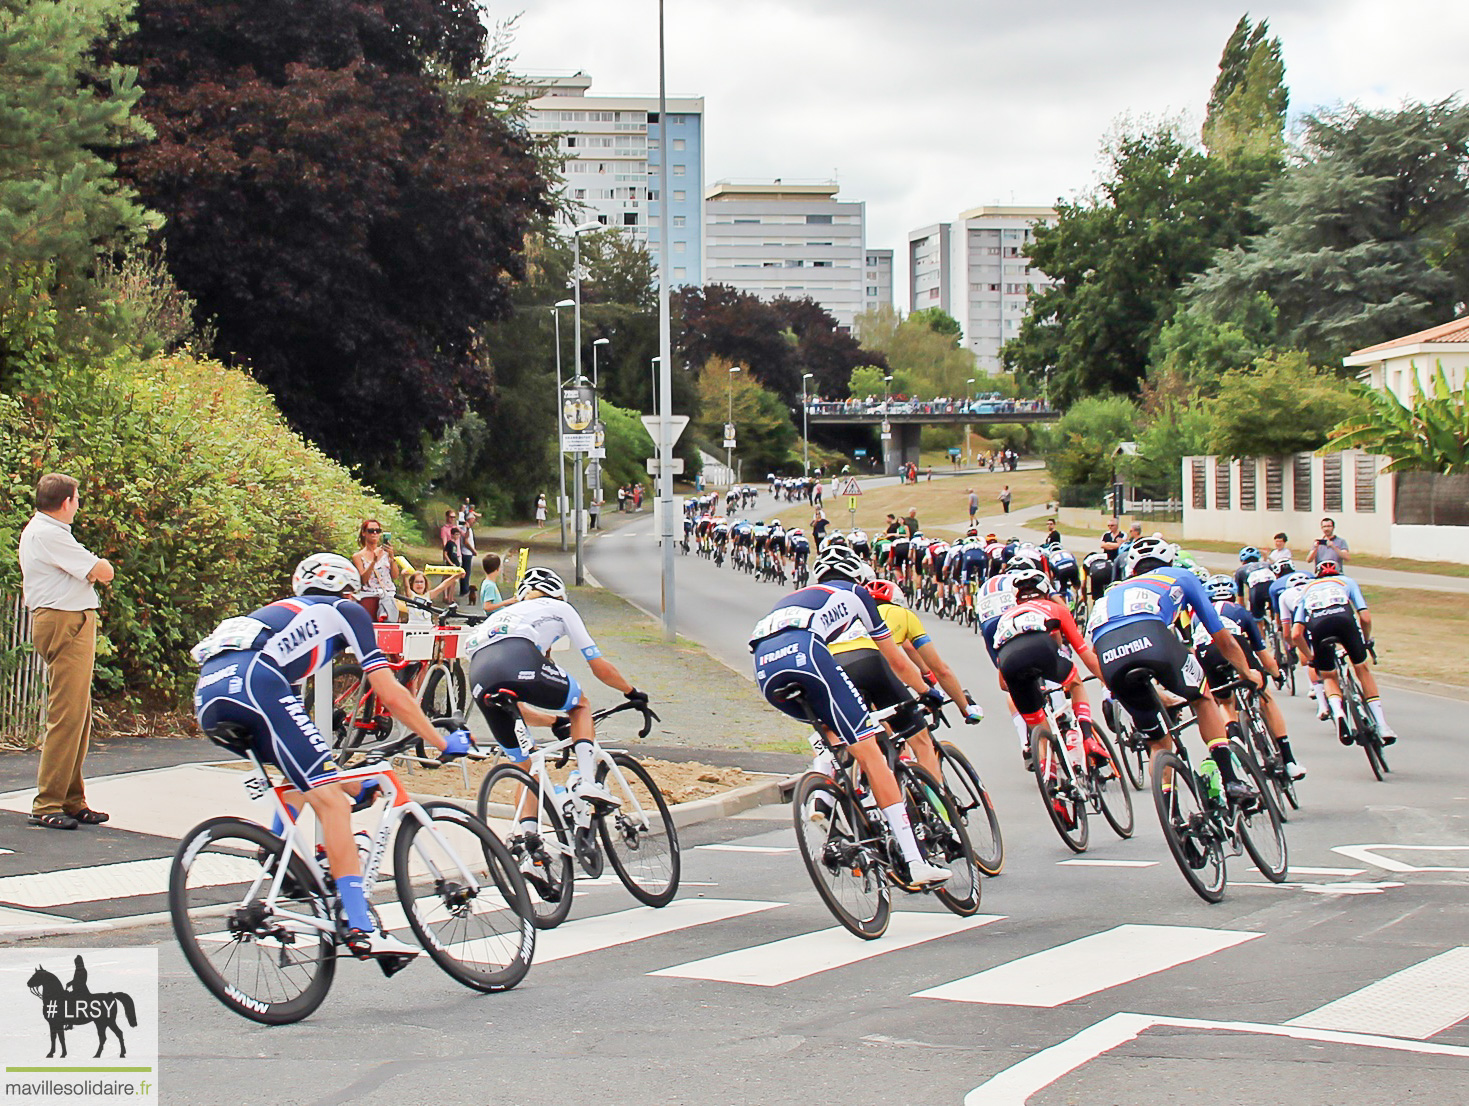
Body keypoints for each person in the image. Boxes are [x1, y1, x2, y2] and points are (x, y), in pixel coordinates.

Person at [192, 553, 474, 962]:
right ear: (348, 587)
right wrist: (440, 741)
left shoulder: (278, 614)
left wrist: (344, 778)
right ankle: (361, 927)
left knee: (305, 777)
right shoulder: (344, 608)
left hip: (209, 696)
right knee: (331, 802)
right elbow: (389, 692)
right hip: (257, 683)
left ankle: (280, 854)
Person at [749, 546, 950, 888]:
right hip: (805, 654)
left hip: (766, 669)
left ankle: (825, 801)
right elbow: (898, 662)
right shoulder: (856, 593)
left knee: (833, 734)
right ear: (859, 577)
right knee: (871, 753)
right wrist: (929, 691)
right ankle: (916, 864)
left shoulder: (793, 598)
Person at [1088, 537, 1264, 804]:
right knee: (1202, 696)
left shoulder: (1112, 592)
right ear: (1169, 562)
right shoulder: (1181, 575)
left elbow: (1097, 653)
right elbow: (1223, 639)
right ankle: (1232, 781)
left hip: (1109, 655)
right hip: (1150, 636)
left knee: (1158, 743)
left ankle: (1173, 817)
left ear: (1132, 571)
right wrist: (1247, 672)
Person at [464, 567, 646, 810]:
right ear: (558, 593)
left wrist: (553, 721)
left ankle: (526, 840)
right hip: (516, 657)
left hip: (479, 674)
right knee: (580, 704)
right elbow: (598, 666)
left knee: (526, 769)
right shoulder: (561, 608)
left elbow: (518, 708)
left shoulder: (502, 615)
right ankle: (587, 781)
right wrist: (631, 692)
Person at [18, 473, 115, 830]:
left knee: (78, 715)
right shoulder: (49, 534)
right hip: (66, 621)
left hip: (67, 618)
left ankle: (72, 799)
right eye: (76, 499)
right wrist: (94, 569)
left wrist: (88, 573)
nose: (78, 505)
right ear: (65, 502)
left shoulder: (47, 533)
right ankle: (48, 802)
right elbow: (102, 571)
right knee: (66, 714)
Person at [1197, 574, 1305, 780]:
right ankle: (1289, 760)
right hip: (1233, 642)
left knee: (1225, 702)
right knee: (1265, 697)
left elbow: (1194, 649)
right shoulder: (1240, 611)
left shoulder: (1197, 615)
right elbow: (1262, 652)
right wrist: (1276, 674)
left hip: (1206, 651)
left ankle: (1235, 734)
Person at [1290, 561, 1396, 744]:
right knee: (1362, 668)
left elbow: (1296, 634)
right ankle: (1382, 725)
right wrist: (1365, 640)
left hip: (1318, 627)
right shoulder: (1347, 582)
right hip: (1344, 620)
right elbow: (1365, 617)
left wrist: (1310, 657)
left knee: (1329, 676)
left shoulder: (1307, 589)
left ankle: (1338, 713)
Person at [351, 518, 399, 623]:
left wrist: (392, 557)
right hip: (369, 595)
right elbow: (363, 579)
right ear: (364, 533)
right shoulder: (358, 556)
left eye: (377, 531)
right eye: (371, 531)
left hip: (387, 595)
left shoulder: (386, 553)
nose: (375, 533)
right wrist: (373, 561)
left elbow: (395, 576)